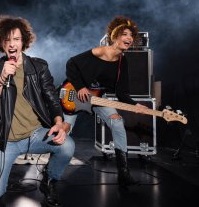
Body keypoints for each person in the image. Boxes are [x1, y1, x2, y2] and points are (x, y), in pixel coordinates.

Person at [0, 15, 74, 207]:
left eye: (16, 39)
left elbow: (52, 98)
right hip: (5, 140)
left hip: (34, 134)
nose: (12, 44)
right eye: (7, 40)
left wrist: (58, 122)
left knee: (67, 146)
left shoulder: (39, 66)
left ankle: (48, 181)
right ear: (0, 43)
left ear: (23, 41)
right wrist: (1, 77)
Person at [63, 15, 147, 187]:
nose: (129, 38)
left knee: (117, 123)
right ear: (115, 36)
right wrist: (79, 87)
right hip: (75, 97)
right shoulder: (99, 52)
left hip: (99, 98)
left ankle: (123, 173)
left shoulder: (123, 62)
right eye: (125, 34)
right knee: (65, 131)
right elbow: (71, 64)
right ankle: (50, 176)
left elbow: (122, 93)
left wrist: (134, 105)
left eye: (131, 36)